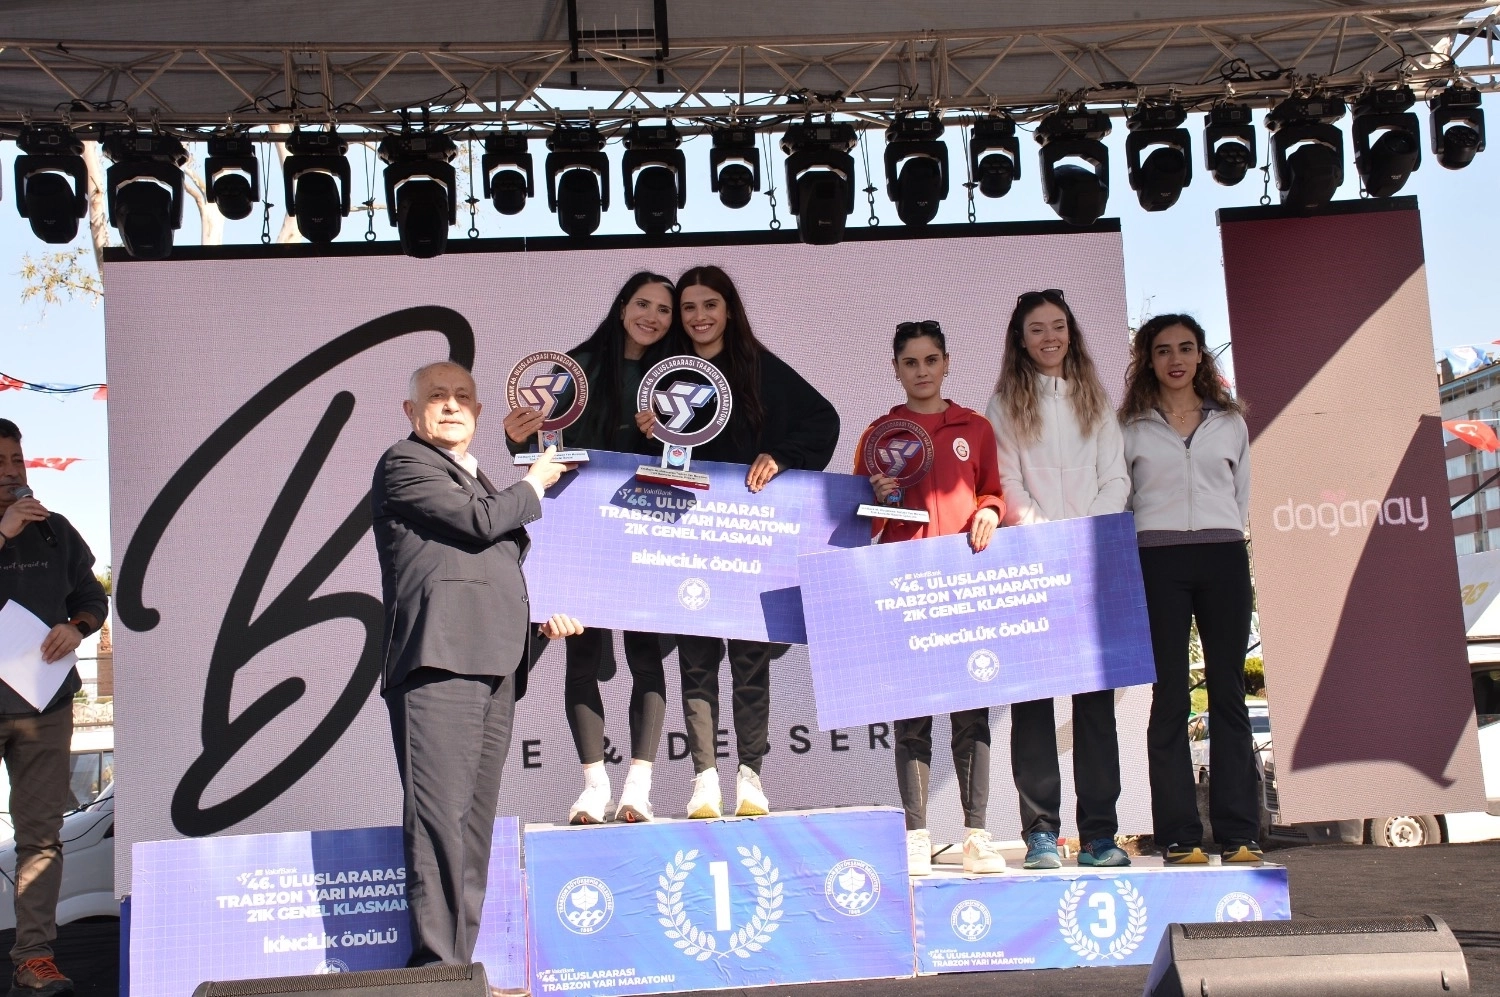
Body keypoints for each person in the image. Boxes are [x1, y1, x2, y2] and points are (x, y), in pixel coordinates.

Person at [372, 361, 582, 967]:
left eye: (462, 397)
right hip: (439, 664)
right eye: (436, 396)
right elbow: (480, 522)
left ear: (479, 412)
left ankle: (458, 968)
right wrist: (536, 481)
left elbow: (490, 570)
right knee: (440, 823)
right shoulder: (405, 462)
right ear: (411, 411)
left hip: (494, 666)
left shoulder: (476, 475)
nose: (450, 405)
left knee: (471, 830)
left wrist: (540, 627)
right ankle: (435, 969)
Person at [640, 265, 839, 819]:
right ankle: (704, 779)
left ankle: (750, 775)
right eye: (688, 307)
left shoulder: (758, 366)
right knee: (697, 660)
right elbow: (641, 457)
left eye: (710, 305)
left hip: (747, 538)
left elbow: (822, 420)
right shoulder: (665, 372)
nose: (699, 317)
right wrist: (645, 432)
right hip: (687, 534)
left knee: (751, 662)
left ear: (729, 309)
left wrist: (782, 457)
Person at [503, 272, 676, 824]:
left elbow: (700, 448)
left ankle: (639, 788)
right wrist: (514, 434)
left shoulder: (678, 375)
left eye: (664, 309)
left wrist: (667, 437)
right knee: (580, 652)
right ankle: (594, 786)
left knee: (645, 654)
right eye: (643, 304)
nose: (652, 317)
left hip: (646, 526)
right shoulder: (575, 368)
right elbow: (539, 440)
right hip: (580, 527)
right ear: (622, 306)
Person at [855, 322, 1009, 876]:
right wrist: (874, 497)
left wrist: (990, 510)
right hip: (906, 588)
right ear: (895, 368)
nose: (921, 371)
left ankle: (976, 837)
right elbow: (862, 519)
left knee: (972, 716)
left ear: (947, 362)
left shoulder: (975, 428)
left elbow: (993, 491)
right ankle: (916, 836)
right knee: (913, 720)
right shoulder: (880, 434)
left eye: (930, 360)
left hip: (964, 586)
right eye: (910, 362)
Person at [986, 288, 1131, 870]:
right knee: (1033, 708)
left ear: (1071, 333)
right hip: (1034, 566)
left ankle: (1099, 836)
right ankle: (1042, 833)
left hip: (1093, 566)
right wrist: (1050, 542)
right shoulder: (1003, 404)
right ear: (1021, 341)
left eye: (1058, 326)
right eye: (1037, 329)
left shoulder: (1096, 398)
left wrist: (1083, 539)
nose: (1050, 337)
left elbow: (1116, 479)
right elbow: (1007, 485)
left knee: (1095, 709)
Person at [1120, 314, 1261, 865]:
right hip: (1157, 561)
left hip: (1223, 557)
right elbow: (1124, 499)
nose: (1175, 359)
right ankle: (1179, 835)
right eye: (1163, 350)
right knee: (1170, 698)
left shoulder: (1230, 422)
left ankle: (1239, 833)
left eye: (1186, 348)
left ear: (1201, 355)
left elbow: (1239, 495)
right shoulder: (1130, 426)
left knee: (1228, 694)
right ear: (1148, 360)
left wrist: (1221, 534)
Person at [0, 418, 108, 997]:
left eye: (16, 460)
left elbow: (91, 595)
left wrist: (77, 626)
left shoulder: (54, 531)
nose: (11, 472)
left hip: (44, 705)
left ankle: (34, 957)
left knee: (41, 837)